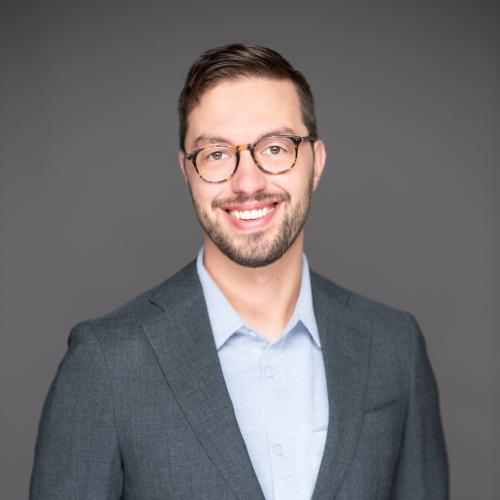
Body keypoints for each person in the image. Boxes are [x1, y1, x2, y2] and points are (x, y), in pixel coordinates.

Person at [30, 44, 449, 500]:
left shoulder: (394, 347)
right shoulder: (107, 362)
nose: (248, 182)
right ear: (187, 173)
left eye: (276, 148)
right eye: (215, 154)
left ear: (317, 162)